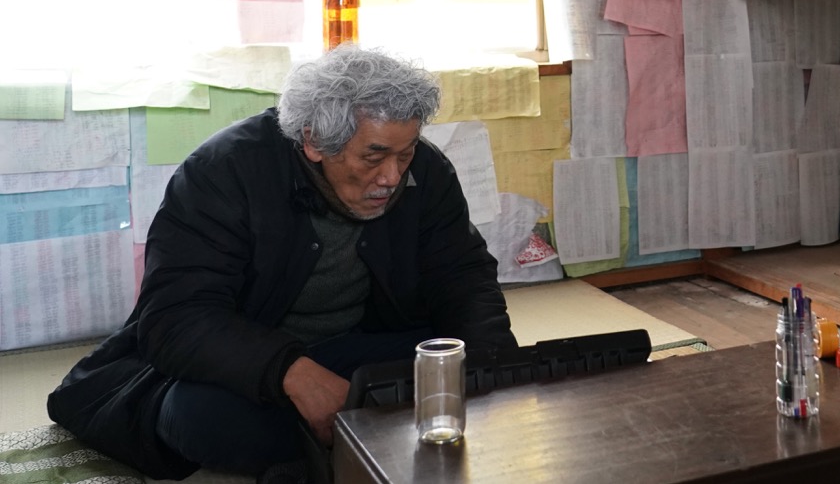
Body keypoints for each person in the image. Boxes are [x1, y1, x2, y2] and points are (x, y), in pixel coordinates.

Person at [48, 46, 515, 481]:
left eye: (405, 153)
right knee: (199, 417)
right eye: (374, 156)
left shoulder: (425, 171)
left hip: (360, 349)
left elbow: (463, 277)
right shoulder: (224, 172)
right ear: (314, 142)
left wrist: (499, 377)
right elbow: (175, 318)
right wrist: (293, 373)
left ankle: (327, 453)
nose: (392, 176)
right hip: (250, 364)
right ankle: (349, 451)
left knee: (448, 360)